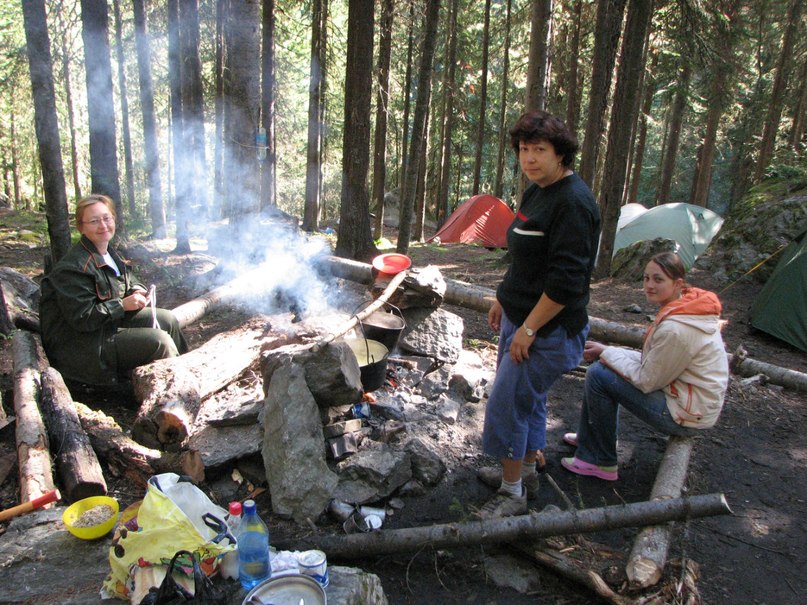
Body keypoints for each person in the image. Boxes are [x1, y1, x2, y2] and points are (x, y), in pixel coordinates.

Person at [476, 110, 601, 518]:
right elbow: (525, 255)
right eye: (524, 150)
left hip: (549, 329)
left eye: (539, 150)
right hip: (522, 317)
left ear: (560, 153)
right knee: (525, 398)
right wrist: (503, 296)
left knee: (507, 403)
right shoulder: (537, 190)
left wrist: (528, 327)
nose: (529, 159)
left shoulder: (574, 203)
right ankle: (526, 470)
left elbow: (566, 282)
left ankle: (511, 494)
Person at [561, 252, 729, 480]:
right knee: (603, 369)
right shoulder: (685, 310)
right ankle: (590, 439)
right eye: (646, 278)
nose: (649, 285)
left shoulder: (677, 328)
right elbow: (652, 361)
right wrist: (607, 351)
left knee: (600, 375)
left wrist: (608, 353)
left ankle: (600, 461)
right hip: (690, 402)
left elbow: (647, 380)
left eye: (658, 280)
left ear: (678, 283)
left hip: (687, 414)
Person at [40, 194, 188, 387]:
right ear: (81, 226)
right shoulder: (73, 268)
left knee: (168, 319)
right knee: (160, 341)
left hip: (102, 329)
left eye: (106, 218)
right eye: (94, 221)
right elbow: (83, 318)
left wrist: (136, 291)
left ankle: (188, 370)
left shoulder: (107, 253)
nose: (103, 226)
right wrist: (121, 305)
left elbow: (128, 280)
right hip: (83, 347)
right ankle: (175, 394)